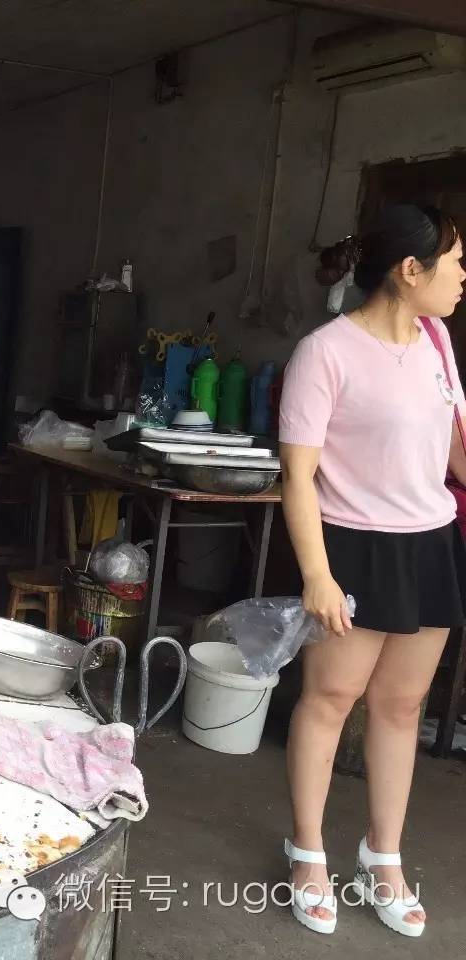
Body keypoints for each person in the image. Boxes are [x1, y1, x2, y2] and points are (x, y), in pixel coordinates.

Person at [278, 203, 465, 938]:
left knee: (401, 707)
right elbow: (298, 477)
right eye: (455, 263)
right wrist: (316, 574)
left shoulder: (438, 340)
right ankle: (308, 853)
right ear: (409, 270)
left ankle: (382, 857)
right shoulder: (324, 353)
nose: (463, 277)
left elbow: (452, 451)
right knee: (330, 700)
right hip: (351, 545)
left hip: (429, 544)